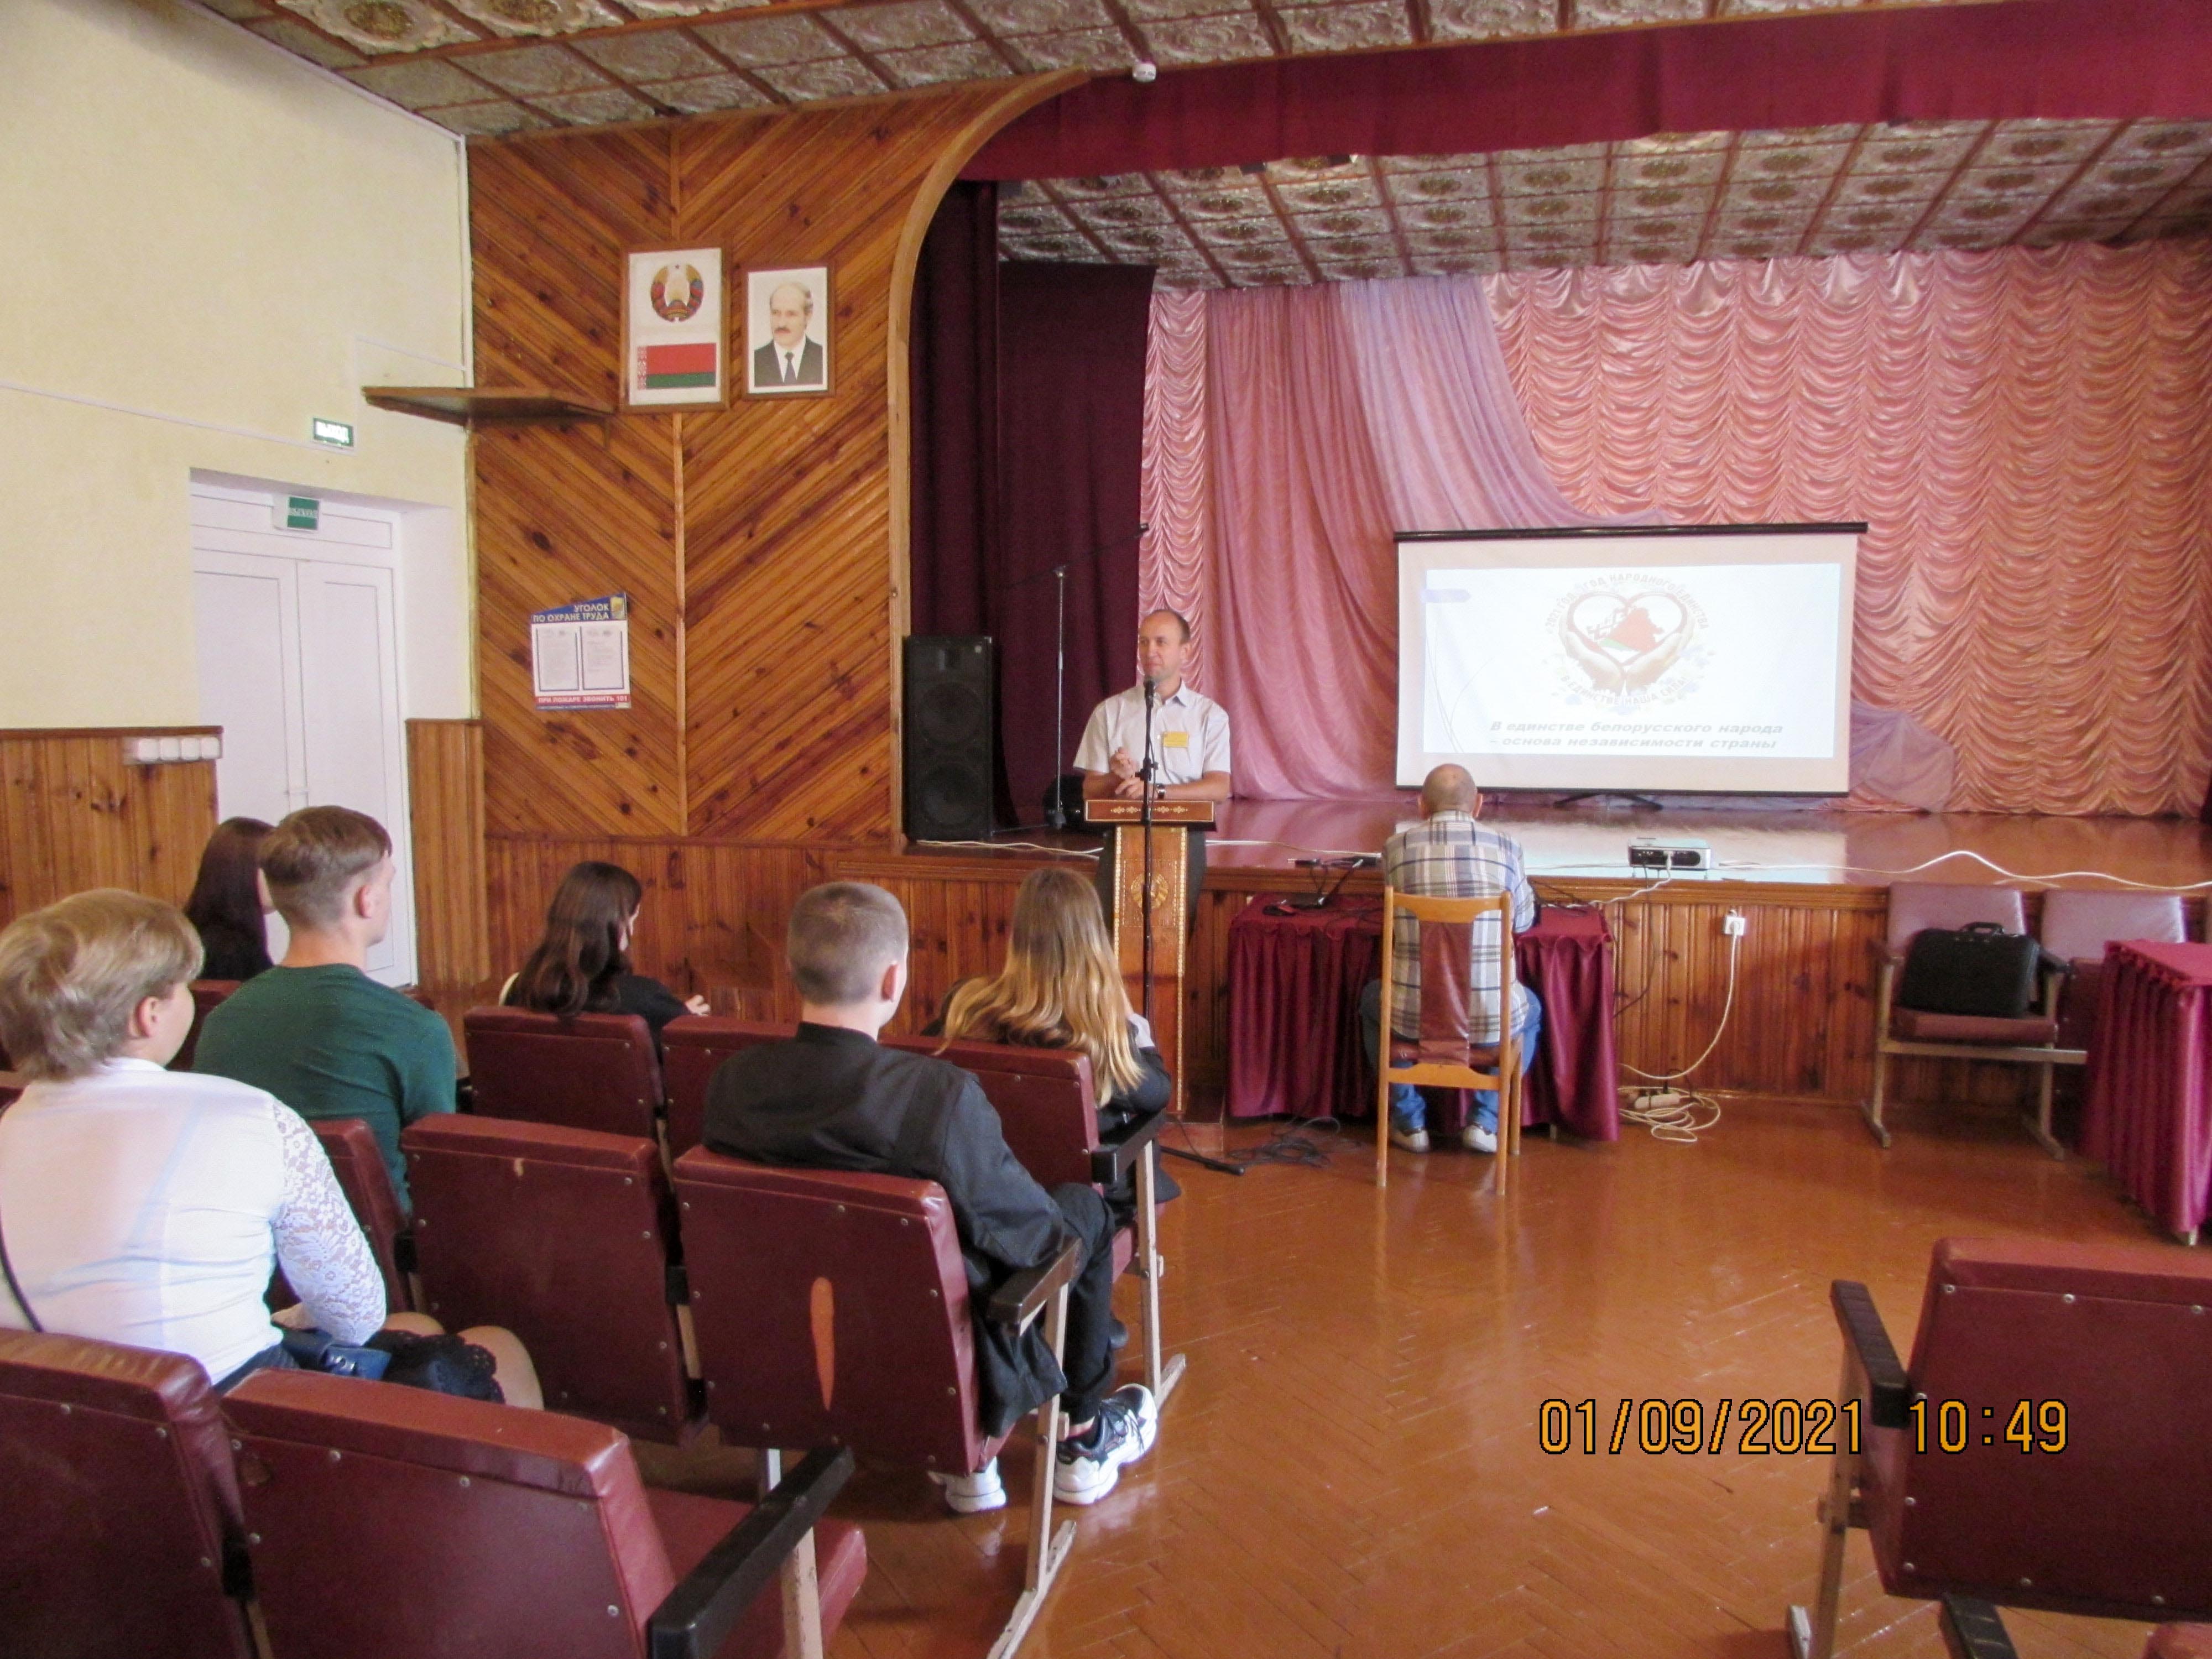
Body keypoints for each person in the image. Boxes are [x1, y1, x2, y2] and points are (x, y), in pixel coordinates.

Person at [703, 882, 1156, 1513]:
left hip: (786, 1330)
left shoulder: (730, 1083)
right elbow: (1035, 1236)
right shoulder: (934, 1096)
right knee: (1082, 1213)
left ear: (792, 967)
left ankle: (971, 1466)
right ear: (894, 981)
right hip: (932, 1334)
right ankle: (1081, 1432)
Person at [0, 889, 539, 1404]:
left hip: (57, 1433)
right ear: (149, 1014)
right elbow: (355, 1315)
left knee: (416, 1329)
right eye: (181, 987)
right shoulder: (249, 1116)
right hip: (233, 1427)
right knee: (501, 1349)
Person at [192, 806, 453, 1213]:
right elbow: (439, 1168)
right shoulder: (414, 1028)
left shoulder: (221, 1021)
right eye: (387, 882)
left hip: (257, 1244)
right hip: (378, 1254)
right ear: (367, 899)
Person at [932, 866, 1178, 1232]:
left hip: (994, 1188)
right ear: (1096, 942)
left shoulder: (966, 1006)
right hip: (1087, 1203)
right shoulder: (1108, 1037)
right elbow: (1157, 1093)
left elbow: (928, 1060)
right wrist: (1136, 1027)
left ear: (1015, 937)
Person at [1359, 765, 1542, 1156]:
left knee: (1373, 1000)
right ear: (1478, 805)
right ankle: (1485, 1122)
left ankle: (1409, 1123)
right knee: (1532, 1011)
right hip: (1492, 1020)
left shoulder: (1396, 848)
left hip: (1413, 1016)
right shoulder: (1508, 848)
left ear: (1421, 805)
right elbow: (1524, 921)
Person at [1076, 608, 1231, 930]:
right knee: (1113, 932)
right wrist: (1115, 777)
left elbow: (1219, 787)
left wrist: (1157, 792)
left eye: (1161, 642)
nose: (1150, 652)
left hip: (1184, 839)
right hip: (1122, 837)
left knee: (1172, 936)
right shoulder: (1110, 712)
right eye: (1144, 642)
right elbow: (1091, 790)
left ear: (1185, 651)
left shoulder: (1209, 716)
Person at [504, 860, 708, 1040]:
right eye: (633, 918)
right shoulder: (646, 999)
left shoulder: (519, 988)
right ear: (617, 924)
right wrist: (680, 1015)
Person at [182, 815, 275, 982]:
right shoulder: (234, 953)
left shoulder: (194, 933)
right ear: (241, 873)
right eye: (272, 867)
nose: (284, 877)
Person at [752, 279, 824, 389]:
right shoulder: (754, 362)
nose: (781, 323)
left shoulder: (823, 357)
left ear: (808, 316)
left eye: (791, 314)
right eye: (776, 313)